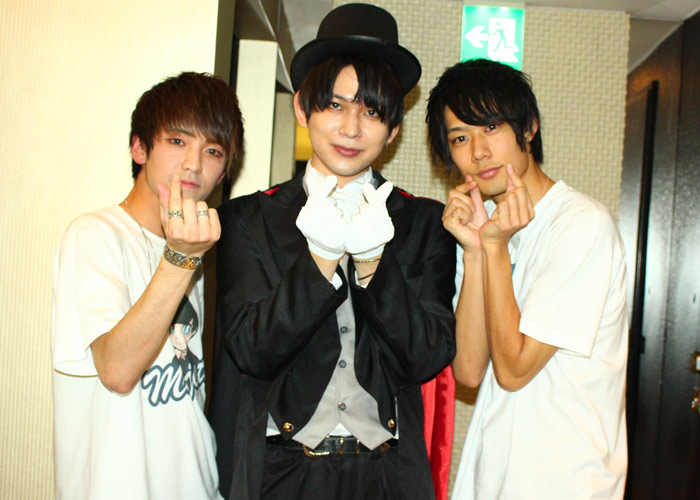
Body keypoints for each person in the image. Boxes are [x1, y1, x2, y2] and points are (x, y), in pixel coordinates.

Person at [208, 4, 456, 499]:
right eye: (336, 105)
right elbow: (252, 350)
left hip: (385, 475)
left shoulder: (425, 222)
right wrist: (319, 260)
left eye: (372, 111)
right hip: (280, 472)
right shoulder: (249, 218)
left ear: (394, 128)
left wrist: (373, 265)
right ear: (303, 108)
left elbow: (428, 356)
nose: (351, 128)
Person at [426, 58, 628, 499]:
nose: (478, 151)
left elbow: (515, 370)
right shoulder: (485, 226)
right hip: (492, 477)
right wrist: (476, 251)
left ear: (529, 127)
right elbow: (469, 370)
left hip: (565, 481)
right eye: (460, 137)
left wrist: (494, 249)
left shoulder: (581, 225)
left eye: (491, 127)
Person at [51, 71, 244, 500]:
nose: (194, 163)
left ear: (224, 172)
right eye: (177, 141)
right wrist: (181, 259)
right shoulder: (96, 235)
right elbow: (117, 372)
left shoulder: (194, 247)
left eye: (212, 150)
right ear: (140, 148)